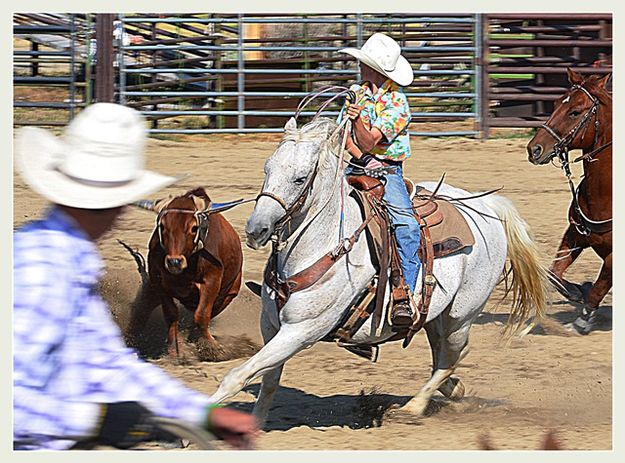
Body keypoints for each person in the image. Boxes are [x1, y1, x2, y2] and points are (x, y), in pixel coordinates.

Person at [13, 103, 259, 450]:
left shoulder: (72, 262)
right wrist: (100, 420)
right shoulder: (39, 271)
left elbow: (108, 363)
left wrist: (199, 413)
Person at [338, 33, 420, 327]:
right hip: (357, 165)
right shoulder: (356, 93)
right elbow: (344, 136)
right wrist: (360, 156)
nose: (359, 67)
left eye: (364, 63)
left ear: (375, 69)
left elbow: (370, 140)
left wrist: (358, 123)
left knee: (406, 226)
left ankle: (405, 292)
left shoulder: (398, 103)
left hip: (387, 173)